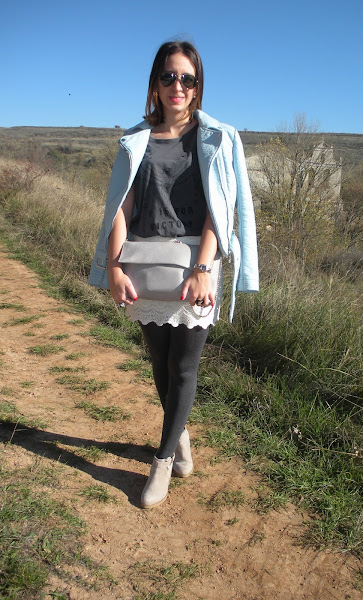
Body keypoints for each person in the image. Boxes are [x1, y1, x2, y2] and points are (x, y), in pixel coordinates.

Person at [88, 40, 259, 509]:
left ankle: (162, 460)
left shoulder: (216, 137)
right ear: (154, 84)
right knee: (159, 363)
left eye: (187, 78)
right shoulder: (136, 139)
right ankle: (178, 437)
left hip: (195, 264)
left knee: (183, 367)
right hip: (144, 262)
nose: (177, 86)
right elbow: (121, 207)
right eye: (168, 76)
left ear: (198, 86)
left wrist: (204, 268)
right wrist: (114, 266)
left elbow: (220, 210)